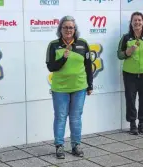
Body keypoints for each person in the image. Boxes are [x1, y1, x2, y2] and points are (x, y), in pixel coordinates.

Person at [46, 16, 93, 159]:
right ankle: (59, 146)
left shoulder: (83, 44)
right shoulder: (53, 45)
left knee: (76, 117)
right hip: (60, 88)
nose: (68, 30)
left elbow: (88, 66)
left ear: (75, 29)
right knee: (60, 117)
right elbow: (51, 67)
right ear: (60, 29)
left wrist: (90, 85)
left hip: (79, 87)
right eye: (65, 27)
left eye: (71, 27)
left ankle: (76, 145)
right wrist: (63, 58)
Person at [117, 12, 143, 135]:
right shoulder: (126, 38)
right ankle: (132, 124)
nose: (137, 22)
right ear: (131, 23)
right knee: (130, 99)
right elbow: (119, 55)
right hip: (129, 74)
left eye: (139, 20)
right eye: (135, 20)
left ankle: (142, 123)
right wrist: (127, 52)